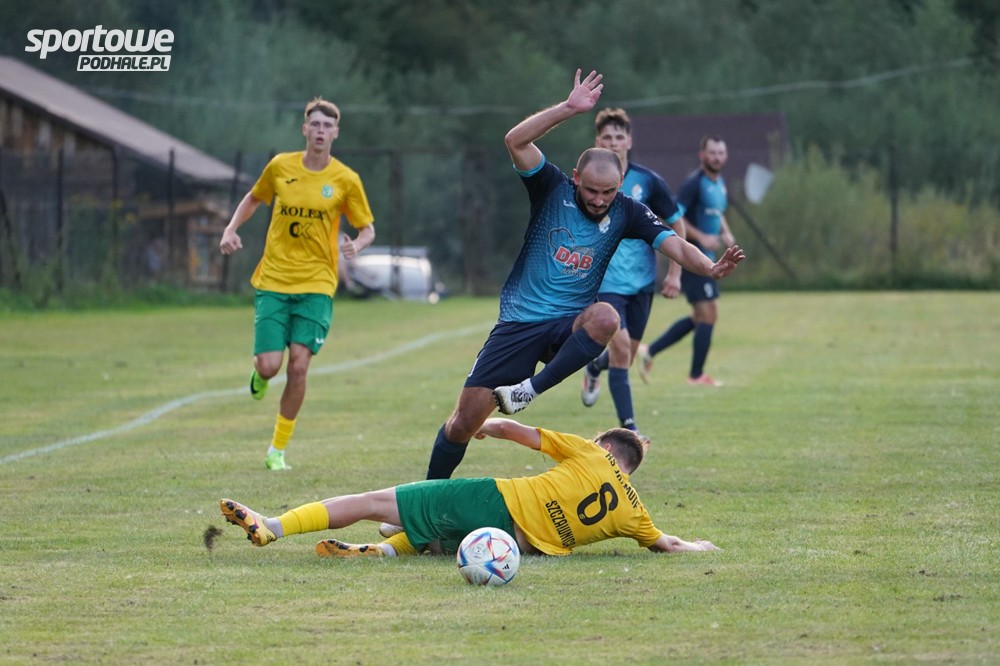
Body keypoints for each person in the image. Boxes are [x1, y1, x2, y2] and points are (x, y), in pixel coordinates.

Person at [421, 69, 744, 484]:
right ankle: (427, 496)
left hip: (567, 324)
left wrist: (710, 267)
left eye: (608, 192)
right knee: (463, 423)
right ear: (576, 177)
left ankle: (528, 390)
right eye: (591, 190)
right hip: (519, 322)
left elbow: (675, 245)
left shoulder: (627, 210)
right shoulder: (551, 188)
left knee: (606, 317)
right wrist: (567, 109)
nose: (599, 200)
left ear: (620, 185)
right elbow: (515, 140)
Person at [219, 417, 721, 559]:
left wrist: (479, 425)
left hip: (495, 501)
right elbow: (669, 544)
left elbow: (517, 431)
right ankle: (382, 551)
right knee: (426, 534)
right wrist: (700, 546)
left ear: (606, 448)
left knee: (376, 502)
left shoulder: (591, 453)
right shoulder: (635, 514)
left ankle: (272, 527)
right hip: (516, 547)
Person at [219, 98, 375, 470]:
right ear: (305, 129)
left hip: (317, 284)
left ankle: (276, 451)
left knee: (299, 367)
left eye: (327, 126)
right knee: (271, 366)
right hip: (274, 279)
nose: (320, 131)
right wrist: (230, 228)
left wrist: (357, 245)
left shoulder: (345, 179)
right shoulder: (280, 167)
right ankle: (260, 374)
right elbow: (254, 198)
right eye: (315, 124)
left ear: (336, 133)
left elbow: (367, 228)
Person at [579, 108, 684, 441]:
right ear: (597, 142)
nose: (613, 142)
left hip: (641, 283)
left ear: (629, 141)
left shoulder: (648, 181)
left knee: (623, 355)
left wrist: (675, 273)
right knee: (622, 348)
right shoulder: (586, 183)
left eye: (619, 136)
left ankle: (595, 366)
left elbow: (676, 224)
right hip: (604, 282)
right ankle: (629, 426)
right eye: (607, 137)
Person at [638, 135, 734, 387]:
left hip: (709, 259)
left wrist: (725, 232)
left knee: (701, 316)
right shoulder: (694, 184)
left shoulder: (720, 183)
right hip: (692, 257)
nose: (717, 157)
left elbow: (717, 213)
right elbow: (675, 217)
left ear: (725, 156)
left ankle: (650, 350)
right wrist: (701, 237)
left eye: (720, 153)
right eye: (712, 153)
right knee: (708, 313)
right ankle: (696, 376)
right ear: (702, 156)